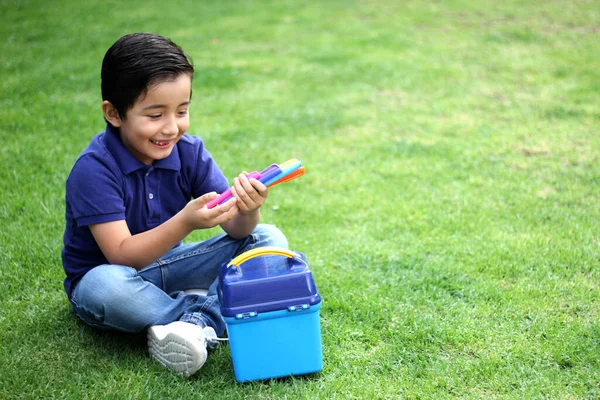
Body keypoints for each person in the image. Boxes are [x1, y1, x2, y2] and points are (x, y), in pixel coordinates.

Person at [61, 32, 288, 377]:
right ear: (113, 113)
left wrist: (247, 209)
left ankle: (188, 323)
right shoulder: (94, 169)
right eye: (155, 115)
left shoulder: (189, 151)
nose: (171, 127)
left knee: (265, 238)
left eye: (182, 111)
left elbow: (235, 229)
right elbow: (122, 256)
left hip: (171, 266)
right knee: (103, 288)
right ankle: (210, 311)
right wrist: (185, 222)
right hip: (115, 276)